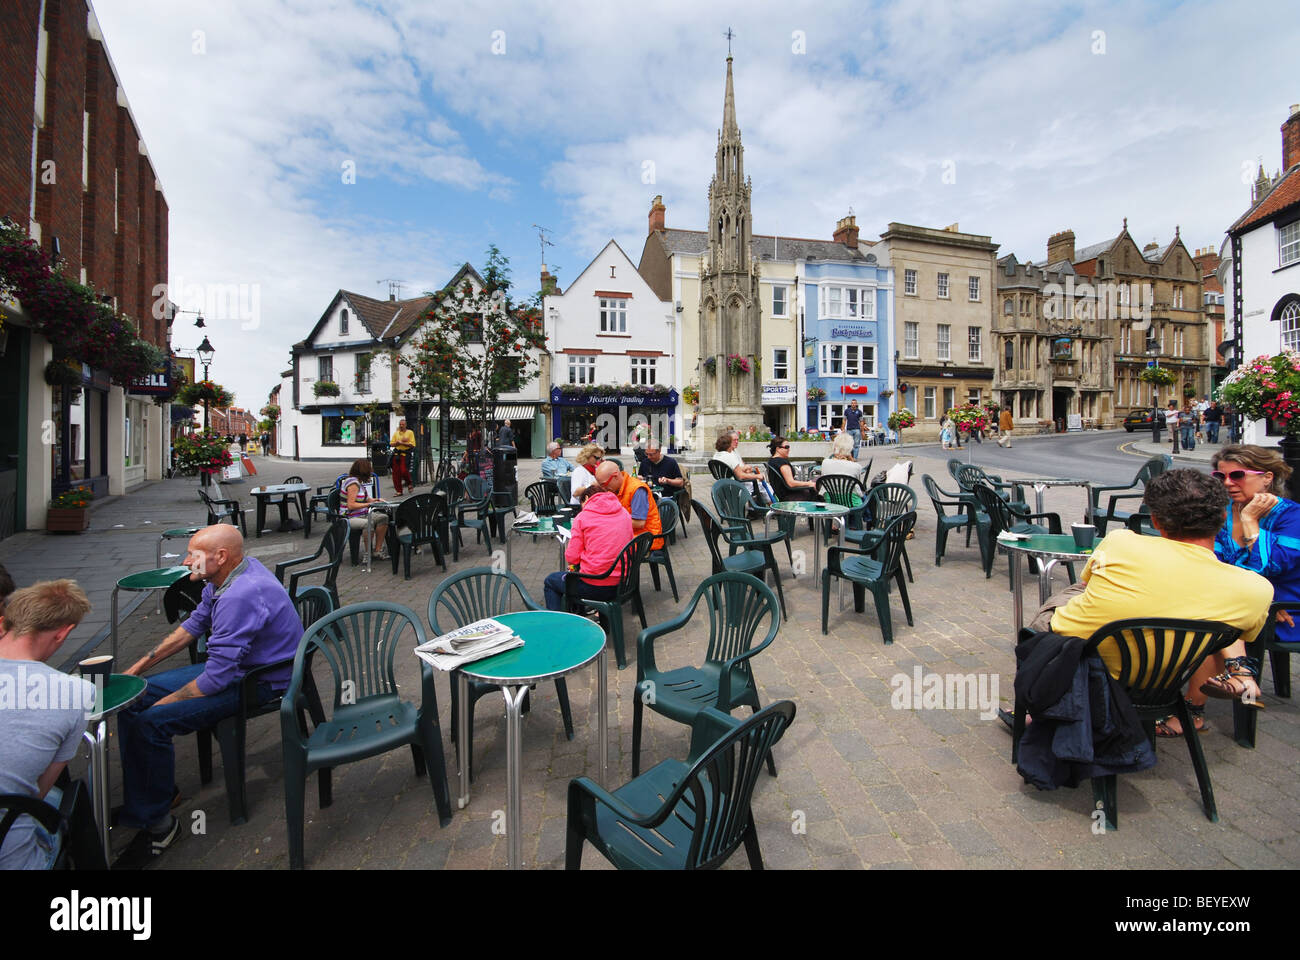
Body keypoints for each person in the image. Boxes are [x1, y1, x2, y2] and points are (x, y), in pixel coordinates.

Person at [113, 525, 303, 864]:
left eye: (193, 555)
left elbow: (216, 680)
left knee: (150, 721)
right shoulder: (224, 579)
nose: (186, 561)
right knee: (132, 698)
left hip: (259, 681)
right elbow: (192, 627)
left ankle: (160, 828)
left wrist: (163, 704)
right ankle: (153, 797)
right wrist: (137, 670)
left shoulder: (239, 595)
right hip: (234, 668)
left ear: (221, 557)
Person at [1044, 469, 1270, 712]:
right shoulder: (1258, 590)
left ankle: (1043, 705)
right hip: (1168, 678)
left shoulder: (1121, 542)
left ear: (1155, 520)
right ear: (1219, 520)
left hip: (1088, 664)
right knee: (1213, 614)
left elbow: (1086, 587)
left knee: (1077, 589)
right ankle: (1227, 687)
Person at [1159, 444, 1300, 736]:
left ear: (1267, 478)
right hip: (1240, 601)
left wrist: (1250, 522)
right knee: (1190, 614)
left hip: (1286, 611)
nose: (1227, 483)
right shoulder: (1221, 513)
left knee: (1210, 627)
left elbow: (1272, 565)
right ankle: (1239, 676)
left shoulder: (1292, 517)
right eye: (1220, 476)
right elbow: (1208, 562)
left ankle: (1193, 712)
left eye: (1237, 475)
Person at [0, 580, 95, 869]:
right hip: (15, 857)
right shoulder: (77, 692)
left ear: (4, 622)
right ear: (62, 634)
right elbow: (37, 792)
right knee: (66, 800)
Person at [543, 471, 633, 611]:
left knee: (551, 581)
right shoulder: (624, 513)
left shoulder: (583, 517)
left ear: (585, 498)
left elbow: (572, 557)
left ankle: (557, 624)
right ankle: (580, 614)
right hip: (622, 582)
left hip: (595, 585)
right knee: (576, 574)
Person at [342, 459, 389, 560]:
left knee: (383, 518)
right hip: (349, 516)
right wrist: (369, 504)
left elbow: (366, 499)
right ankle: (367, 553)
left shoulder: (359, 483)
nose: (371, 472)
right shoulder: (352, 484)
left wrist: (377, 500)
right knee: (368, 523)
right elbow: (351, 505)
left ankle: (377, 550)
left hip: (361, 514)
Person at [767, 437, 818, 501]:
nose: (789, 449)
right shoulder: (781, 462)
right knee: (820, 480)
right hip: (792, 496)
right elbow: (791, 483)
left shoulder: (771, 461)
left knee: (817, 480)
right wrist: (808, 483)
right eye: (786, 447)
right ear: (778, 449)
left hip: (783, 495)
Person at [389, 418, 416, 495]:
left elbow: (412, 445)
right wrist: (398, 443)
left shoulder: (410, 433)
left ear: (406, 425)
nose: (401, 426)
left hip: (405, 454)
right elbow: (391, 444)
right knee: (395, 473)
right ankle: (399, 491)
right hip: (397, 454)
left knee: (403, 471)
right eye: (400, 424)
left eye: (403, 424)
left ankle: (409, 483)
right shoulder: (396, 433)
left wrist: (402, 443)